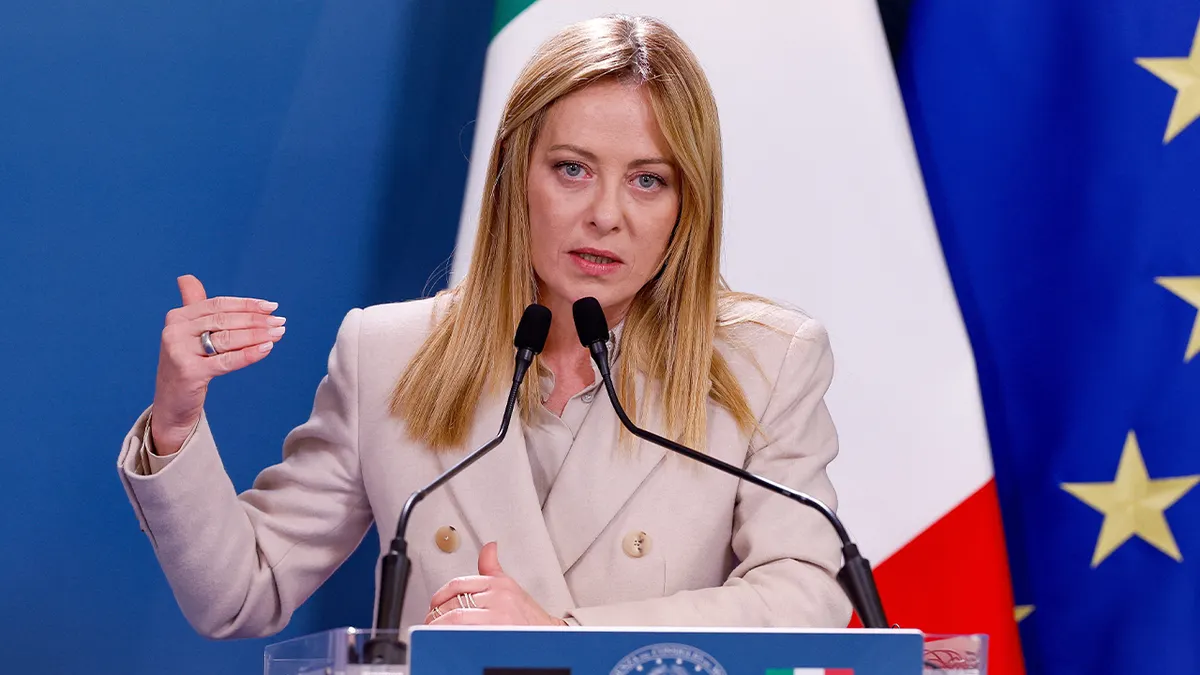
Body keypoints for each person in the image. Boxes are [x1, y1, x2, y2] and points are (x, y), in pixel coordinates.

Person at [117, 13, 851, 637]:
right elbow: (239, 593)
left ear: (688, 204)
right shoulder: (391, 355)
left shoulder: (764, 360)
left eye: (647, 179)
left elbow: (806, 597)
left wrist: (562, 639)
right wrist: (177, 420)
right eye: (572, 169)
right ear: (514, 175)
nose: (606, 213)